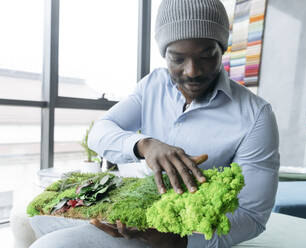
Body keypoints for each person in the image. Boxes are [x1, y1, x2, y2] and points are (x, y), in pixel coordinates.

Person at [29, 0, 279, 247]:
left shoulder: (256, 116)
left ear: (222, 49)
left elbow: (252, 216)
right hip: (132, 211)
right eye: (178, 59)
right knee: (36, 215)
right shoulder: (153, 85)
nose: (192, 71)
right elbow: (100, 131)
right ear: (164, 55)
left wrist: (176, 241)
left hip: (179, 233)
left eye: (206, 56)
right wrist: (145, 145)